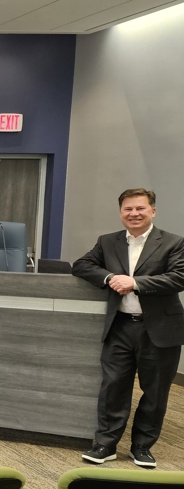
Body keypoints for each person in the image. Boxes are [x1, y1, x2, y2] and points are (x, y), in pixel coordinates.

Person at [72, 188, 184, 468]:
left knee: (155, 391)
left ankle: (142, 447)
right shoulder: (107, 241)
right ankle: (106, 444)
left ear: (153, 211)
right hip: (120, 326)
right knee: (113, 387)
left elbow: (179, 277)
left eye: (140, 208)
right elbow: (81, 265)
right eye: (128, 209)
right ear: (121, 213)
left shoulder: (174, 242)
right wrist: (110, 277)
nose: (134, 214)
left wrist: (135, 283)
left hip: (159, 329)